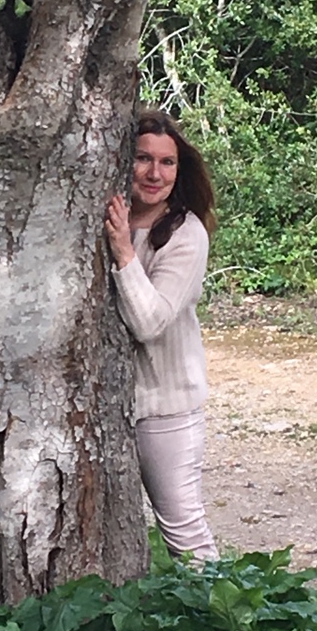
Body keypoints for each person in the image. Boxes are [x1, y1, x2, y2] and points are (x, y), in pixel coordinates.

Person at [105, 108, 218, 561]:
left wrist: (123, 252)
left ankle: (227, 620)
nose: (155, 173)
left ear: (180, 168)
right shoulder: (112, 219)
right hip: (112, 406)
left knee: (184, 533)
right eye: (142, 158)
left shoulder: (185, 235)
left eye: (167, 162)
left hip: (166, 409)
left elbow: (149, 323)